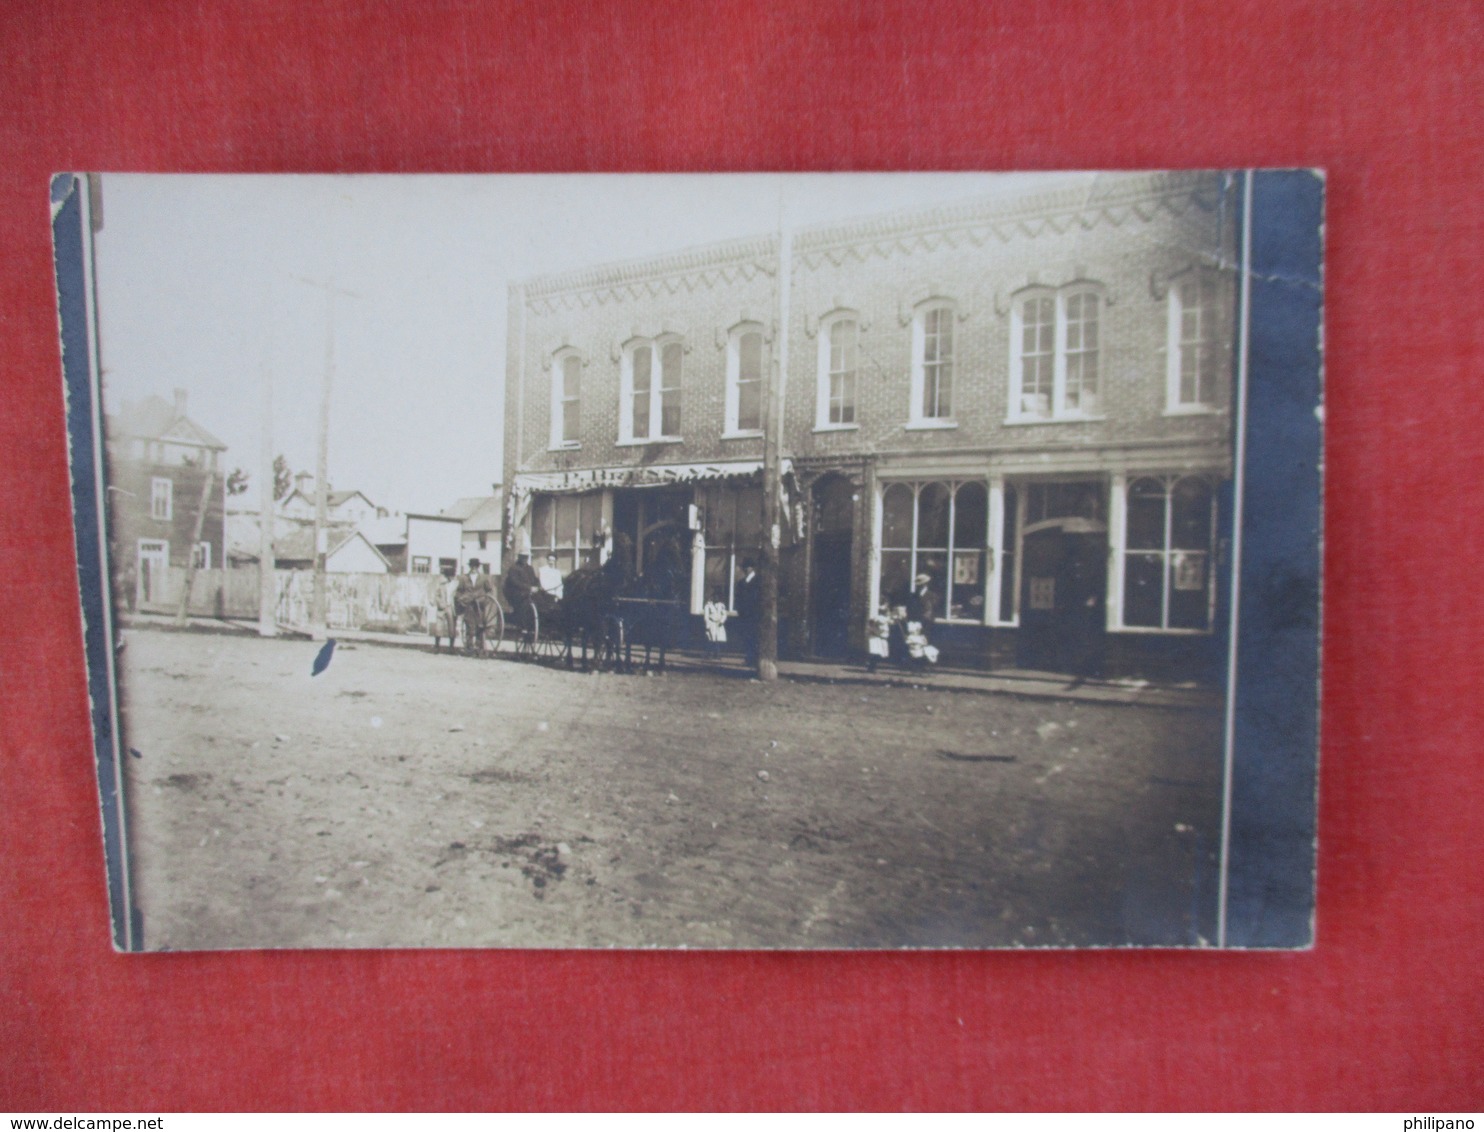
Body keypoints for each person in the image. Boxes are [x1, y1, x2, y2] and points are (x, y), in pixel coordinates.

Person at [902, 572, 939, 670]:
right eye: (918, 585)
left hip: (926, 623)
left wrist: (927, 620)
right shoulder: (913, 595)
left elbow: (932, 610)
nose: (919, 586)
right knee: (915, 643)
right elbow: (910, 608)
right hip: (915, 623)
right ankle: (916, 664)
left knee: (925, 642)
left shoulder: (932, 595)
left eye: (921, 584)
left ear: (925, 584)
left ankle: (925, 664)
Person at [733, 559, 761, 672]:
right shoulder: (741, 583)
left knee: (754, 637)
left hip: (754, 615)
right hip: (744, 615)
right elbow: (738, 599)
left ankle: (754, 659)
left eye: (747, 567)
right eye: (744, 567)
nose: (745, 570)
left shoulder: (758, 581)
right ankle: (748, 658)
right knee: (746, 636)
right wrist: (739, 611)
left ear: (751, 568)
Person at [502, 552, 542, 629]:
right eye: (523, 557)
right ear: (519, 557)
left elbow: (534, 579)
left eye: (526, 557)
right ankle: (524, 625)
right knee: (526, 602)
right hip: (516, 593)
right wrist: (529, 588)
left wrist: (538, 585)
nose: (525, 559)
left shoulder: (530, 568)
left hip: (528, 592)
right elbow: (515, 582)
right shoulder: (513, 568)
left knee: (544, 598)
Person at [702, 587, 729, 662]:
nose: (716, 598)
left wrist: (722, 621)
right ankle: (709, 653)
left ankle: (717, 654)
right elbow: (706, 617)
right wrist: (707, 625)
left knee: (718, 639)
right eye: (714, 596)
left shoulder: (721, 605)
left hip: (719, 624)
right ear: (712, 597)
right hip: (711, 623)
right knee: (711, 639)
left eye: (718, 597)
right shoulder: (708, 606)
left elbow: (724, 615)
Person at [866, 601, 892, 673]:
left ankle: (872, 667)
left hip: (881, 638)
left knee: (879, 654)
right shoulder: (879, 618)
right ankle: (871, 667)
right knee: (875, 653)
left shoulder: (884, 619)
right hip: (875, 637)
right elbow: (877, 622)